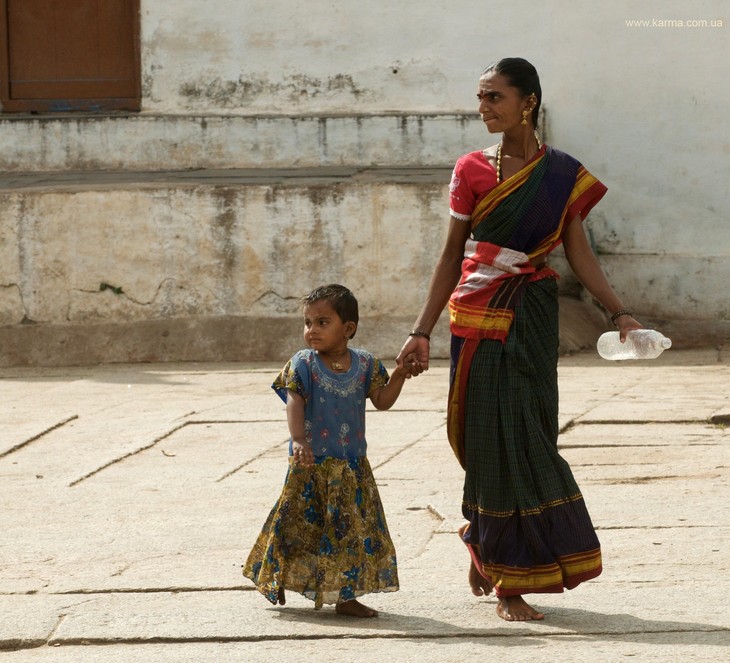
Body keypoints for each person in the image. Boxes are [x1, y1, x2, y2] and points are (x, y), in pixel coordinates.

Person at [395, 57, 643, 622]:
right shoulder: (471, 170)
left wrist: (619, 313)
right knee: (488, 440)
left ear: (527, 101)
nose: (483, 108)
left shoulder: (562, 174)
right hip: (477, 318)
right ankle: (507, 578)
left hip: (531, 318)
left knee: (529, 437)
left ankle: (487, 546)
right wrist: (420, 331)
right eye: (480, 98)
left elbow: (578, 252)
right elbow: (450, 255)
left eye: (494, 98)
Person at [244, 284, 413, 617]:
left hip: (351, 469)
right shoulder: (303, 363)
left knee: (351, 535)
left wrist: (401, 375)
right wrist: (298, 440)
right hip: (311, 466)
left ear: (348, 328)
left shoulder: (365, 364)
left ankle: (347, 598)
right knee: (295, 527)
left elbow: (382, 401)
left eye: (322, 322)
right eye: (307, 322)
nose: (311, 330)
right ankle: (277, 578)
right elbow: (294, 399)